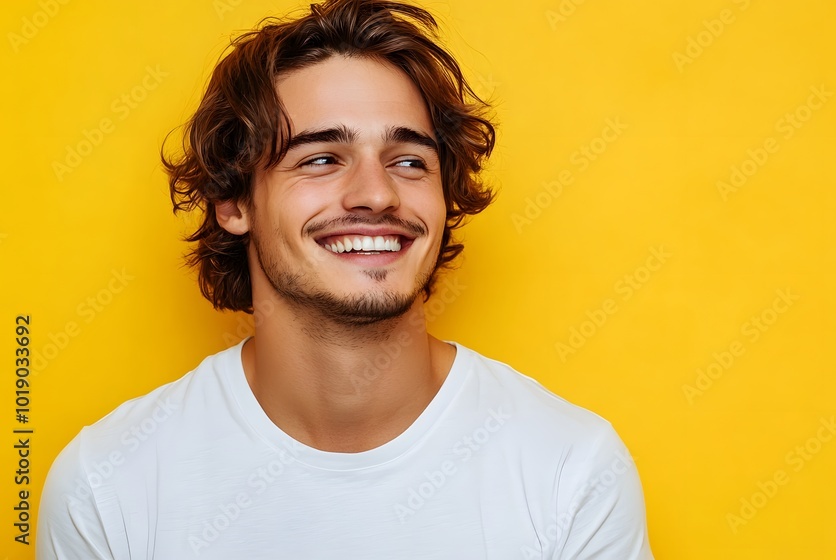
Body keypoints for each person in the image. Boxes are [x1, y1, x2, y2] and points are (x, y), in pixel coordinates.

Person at [38, 1, 653, 558]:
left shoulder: (572, 471)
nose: (377, 194)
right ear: (233, 202)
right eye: (321, 158)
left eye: (409, 160)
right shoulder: (107, 485)